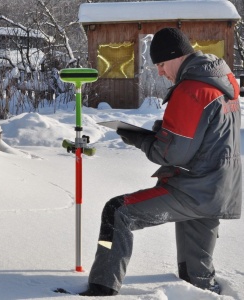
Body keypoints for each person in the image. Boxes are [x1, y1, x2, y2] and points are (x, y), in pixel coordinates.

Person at [79, 27, 242, 297]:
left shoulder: (191, 89)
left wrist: (139, 139)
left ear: (177, 56)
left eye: (162, 64)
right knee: (196, 280)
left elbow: (172, 155)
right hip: (219, 188)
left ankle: (101, 287)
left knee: (117, 212)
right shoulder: (220, 79)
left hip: (192, 189)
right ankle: (204, 290)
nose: (160, 72)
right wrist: (161, 133)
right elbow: (204, 137)